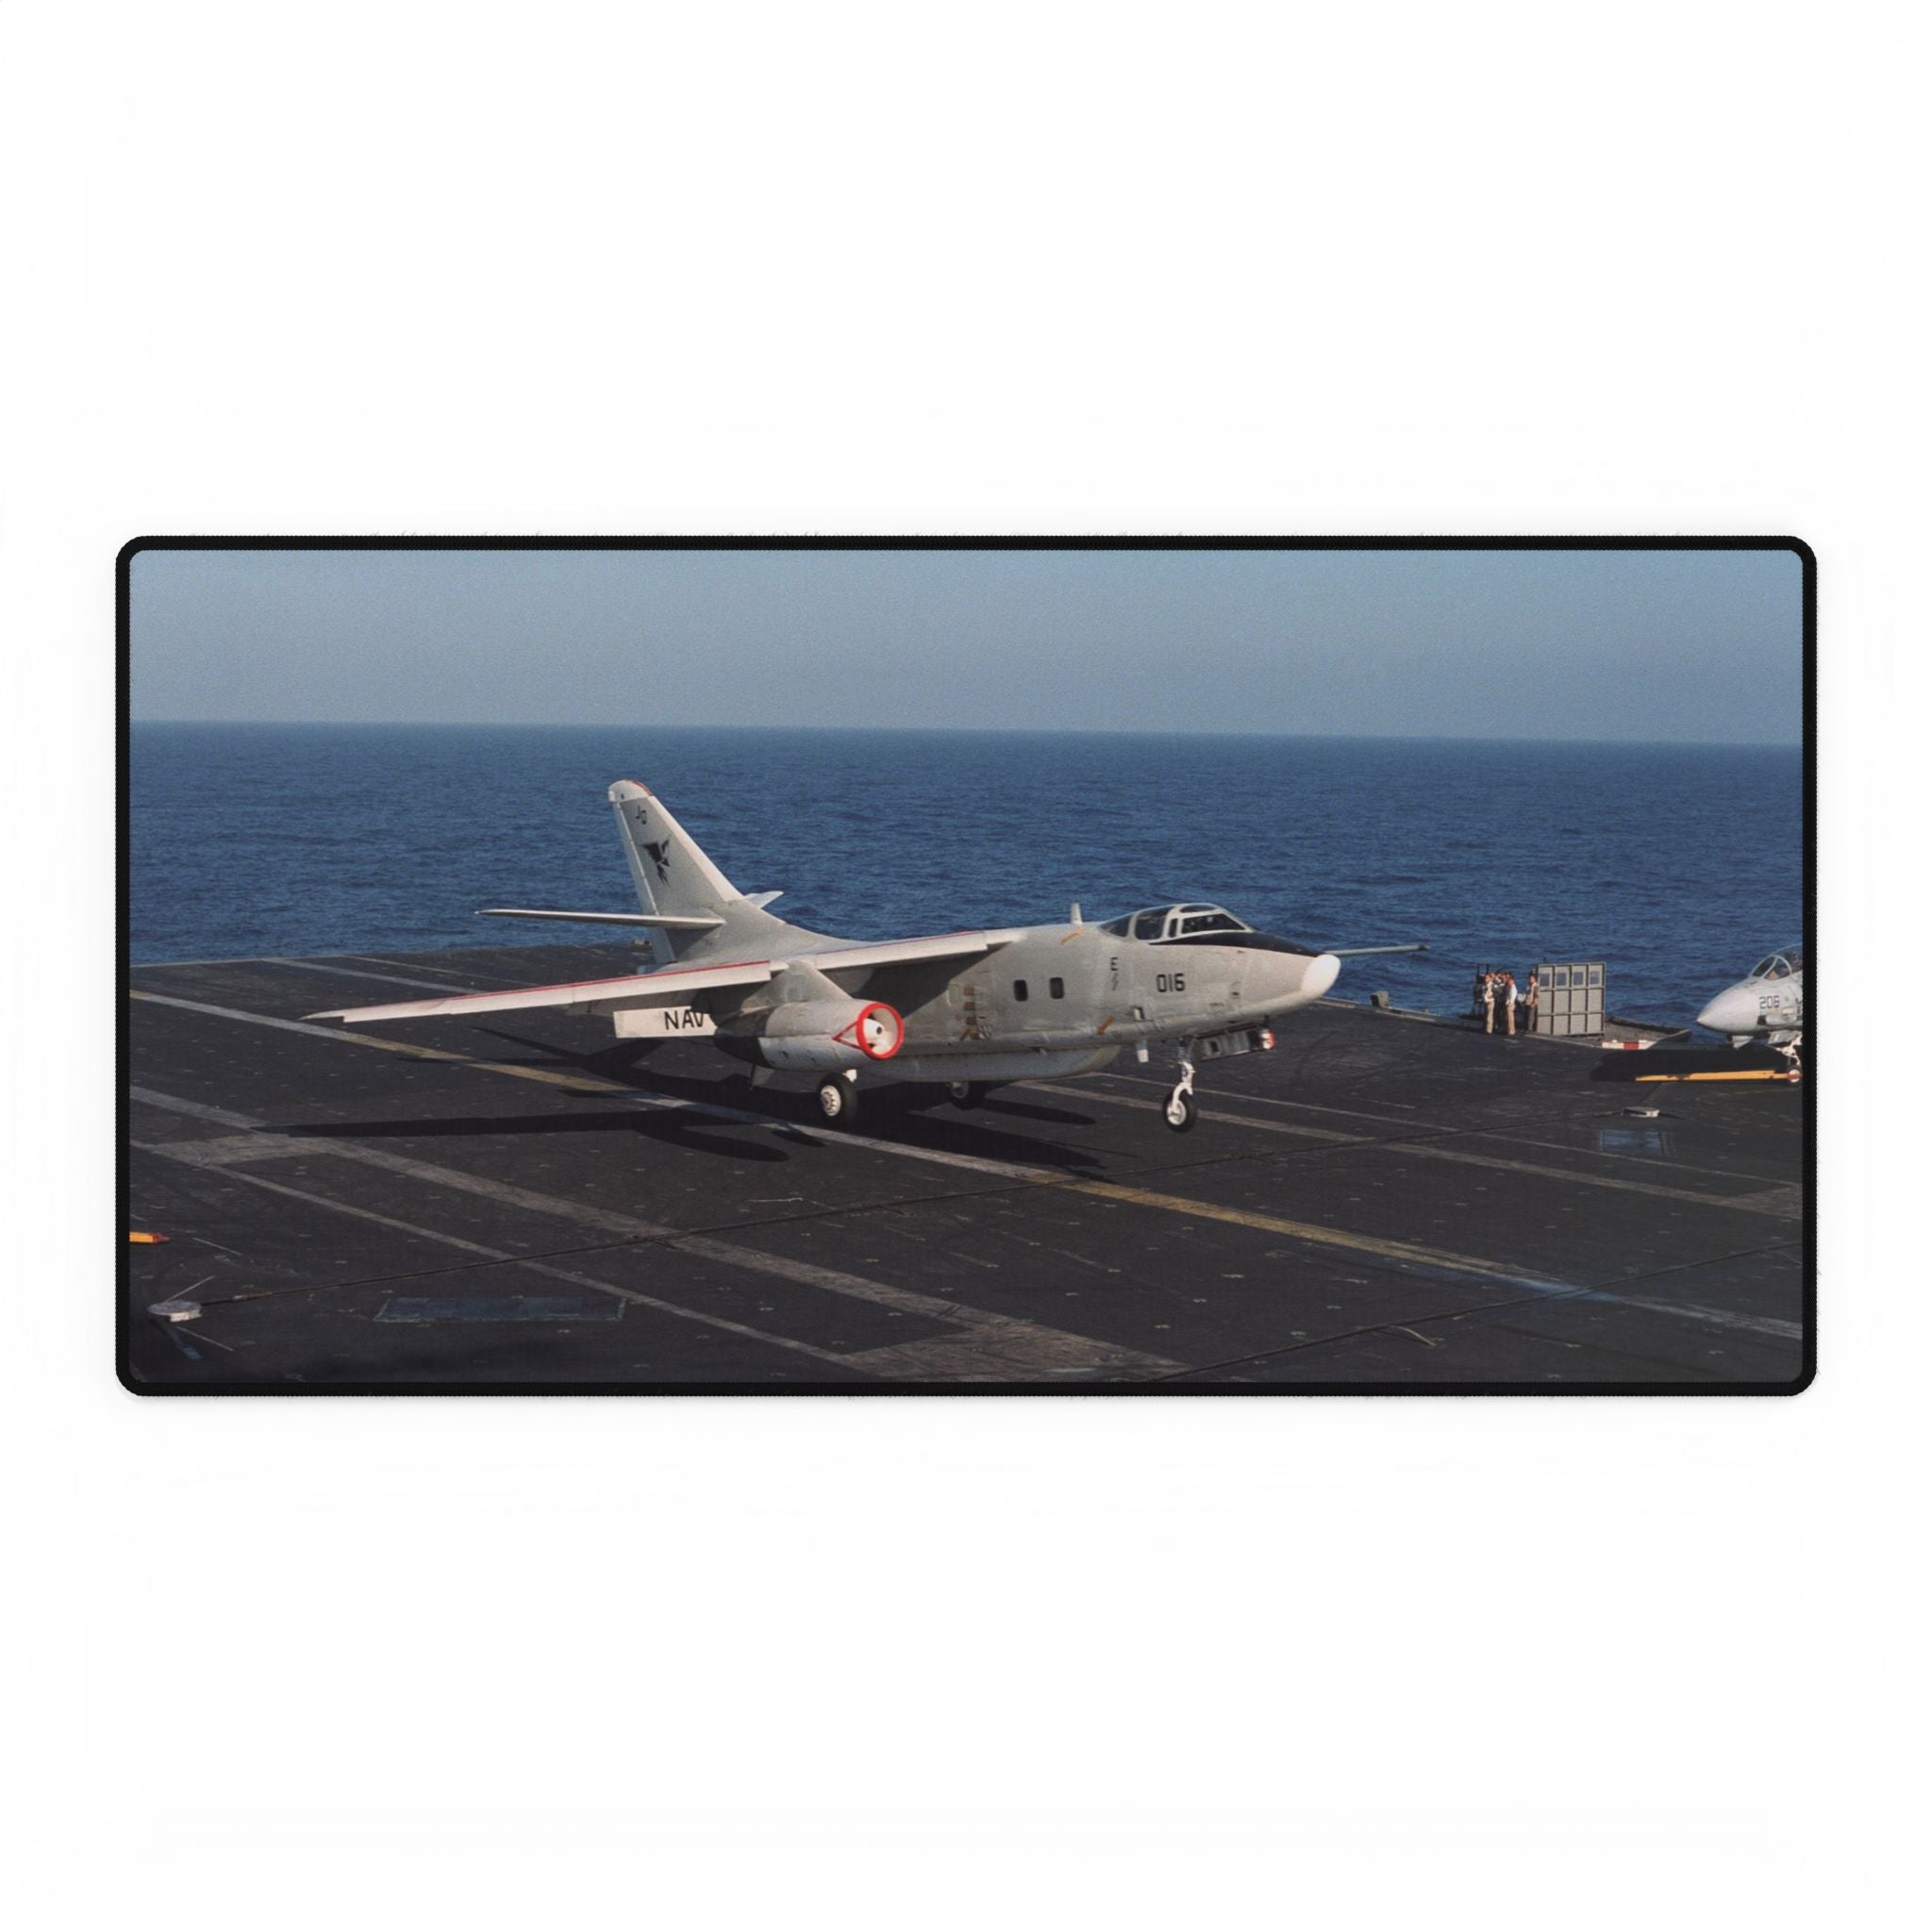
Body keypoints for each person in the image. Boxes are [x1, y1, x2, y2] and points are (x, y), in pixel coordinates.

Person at [1523, 968, 1540, 1035]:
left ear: (1535, 979)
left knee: (1531, 1016)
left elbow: (1536, 996)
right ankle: (1526, 1028)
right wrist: (1524, 1001)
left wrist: (1533, 1003)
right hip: (1527, 1002)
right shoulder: (1529, 985)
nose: (1530, 979)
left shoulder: (1536, 986)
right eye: (1530, 978)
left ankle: (1530, 1029)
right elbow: (1527, 994)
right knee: (1526, 1016)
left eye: (1532, 978)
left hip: (1532, 1003)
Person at [1501, 970, 1517, 1036]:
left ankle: (1511, 1031)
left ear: (1513, 981)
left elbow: (1513, 996)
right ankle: (1508, 1029)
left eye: (1510, 981)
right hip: (1508, 1003)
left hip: (1510, 1004)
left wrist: (1510, 1003)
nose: (1509, 982)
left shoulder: (1513, 988)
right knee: (1507, 1018)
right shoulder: (1509, 987)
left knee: (1510, 1018)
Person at [1481, 970, 1496, 1035]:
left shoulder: (1493, 985)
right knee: (1485, 1016)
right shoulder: (1484, 985)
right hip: (1485, 1002)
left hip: (1490, 1002)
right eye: (1485, 978)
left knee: (1489, 1017)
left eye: (1487, 978)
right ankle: (1485, 1028)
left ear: (1490, 978)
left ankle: (1489, 1030)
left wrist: (1493, 996)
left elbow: (1498, 992)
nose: (1485, 979)